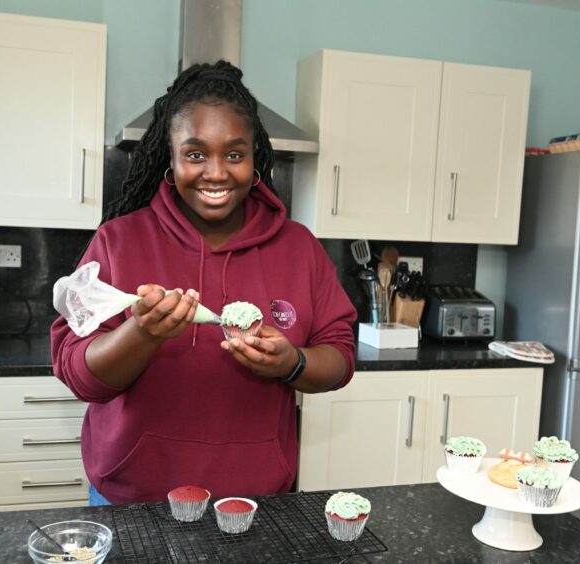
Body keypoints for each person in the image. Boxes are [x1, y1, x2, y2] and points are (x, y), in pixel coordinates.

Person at [51, 60, 357, 506]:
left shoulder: (299, 247)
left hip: (259, 501)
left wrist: (290, 363)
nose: (216, 173)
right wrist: (141, 332)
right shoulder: (118, 241)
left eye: (234, 154)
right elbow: (80, 376)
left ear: (256, 160)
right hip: (134, 498)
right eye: (195, 154)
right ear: (170, 162)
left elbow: (340, 358)